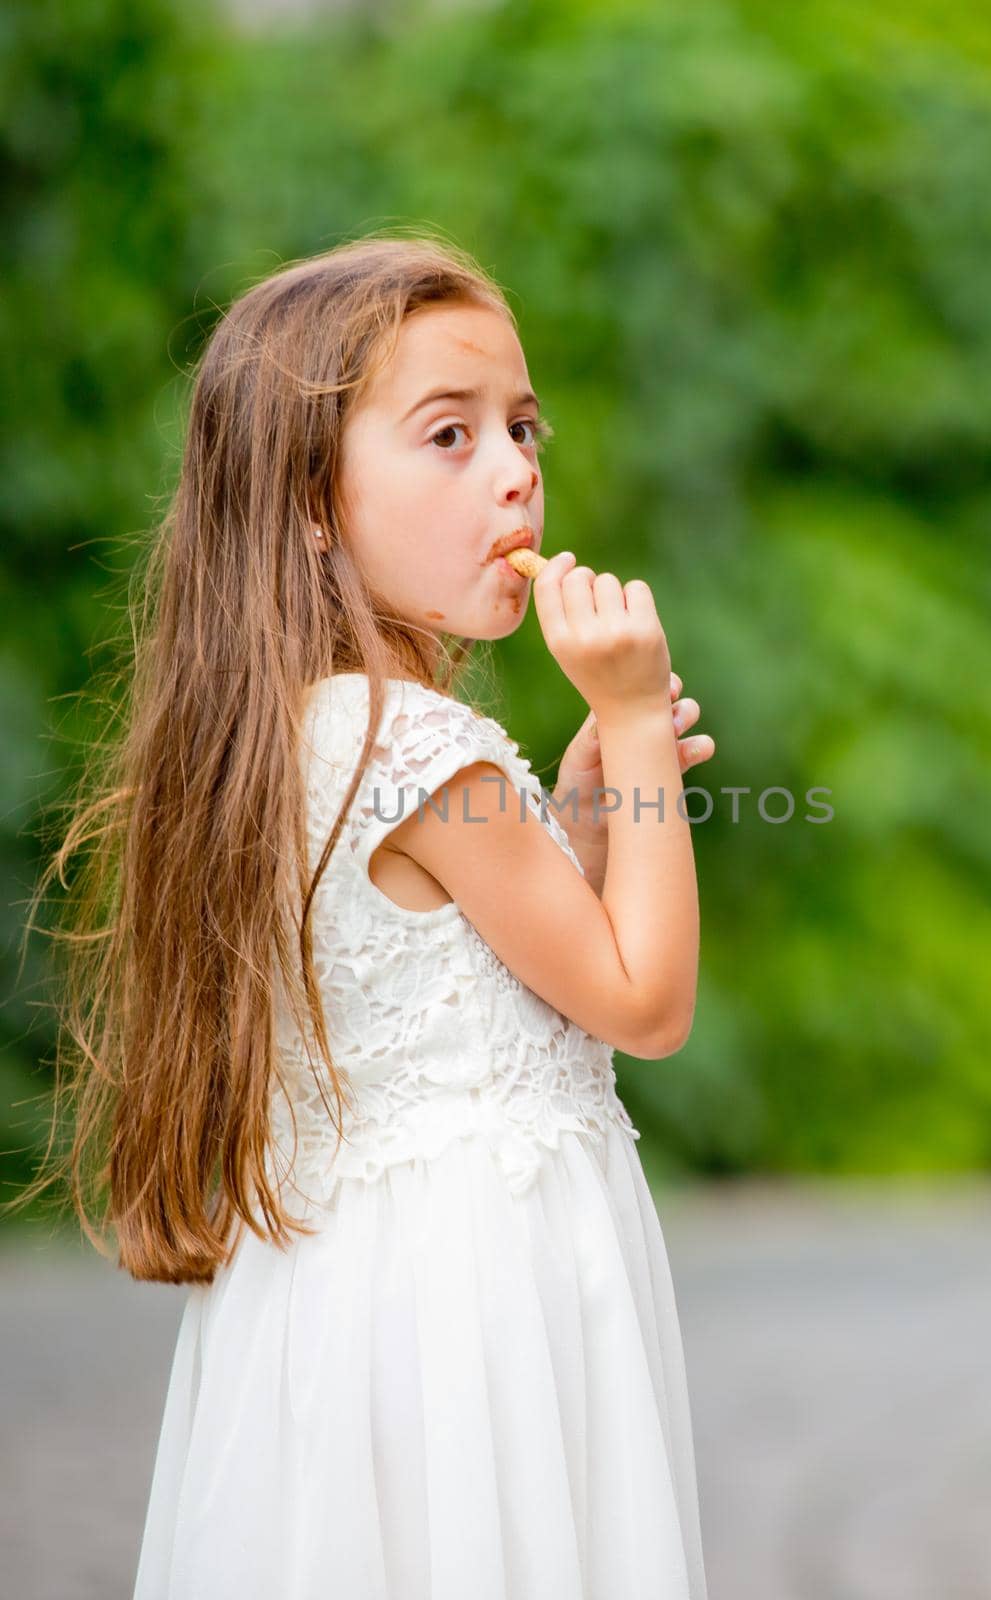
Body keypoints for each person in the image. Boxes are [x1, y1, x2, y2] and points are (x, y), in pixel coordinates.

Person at [17, 232, 717, 1598]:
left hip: (345, 1304)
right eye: (446, 436)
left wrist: (567, 824)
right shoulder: (420, 747)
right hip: (478, 1300)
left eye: (522, 428)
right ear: (309, 505)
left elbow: (472, 968)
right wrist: (633, 728)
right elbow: (645, 1003)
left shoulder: (289, 733)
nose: (515, 472)